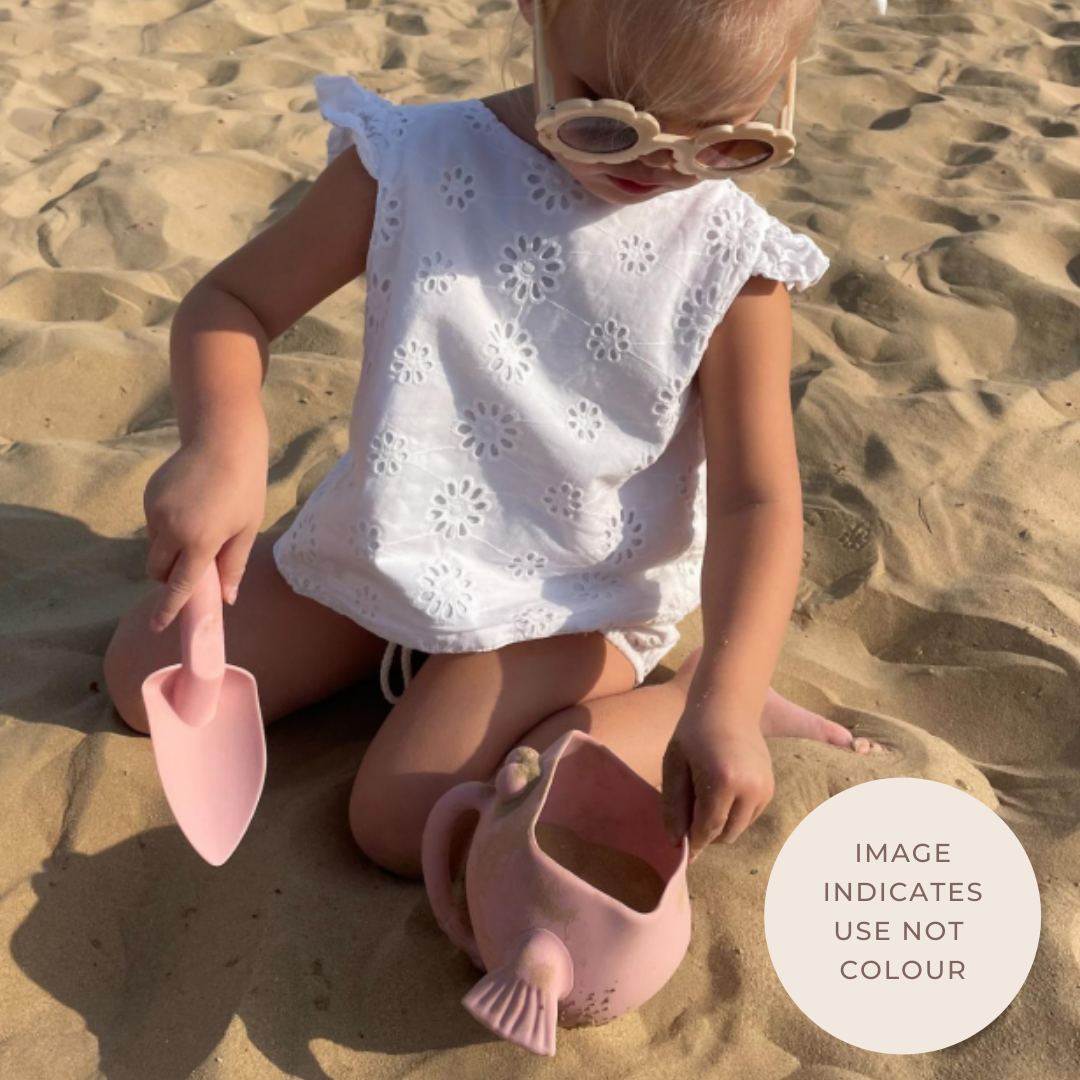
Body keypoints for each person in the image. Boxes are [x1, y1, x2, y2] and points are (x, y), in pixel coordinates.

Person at [105, 0, 884, 880]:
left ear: (781, 86)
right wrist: (221, 445)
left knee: (401, 819)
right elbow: (234, 303)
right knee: (145, 673)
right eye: (608, 120)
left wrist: (726, 705)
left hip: (567, 599)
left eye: (721, 137)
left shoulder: (730, 261)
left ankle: (679, 698)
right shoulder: (413, 161)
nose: (659, 164)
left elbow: (758, 500)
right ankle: (408, 655)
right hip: (387, 535)